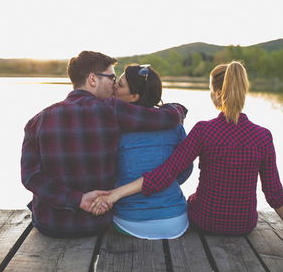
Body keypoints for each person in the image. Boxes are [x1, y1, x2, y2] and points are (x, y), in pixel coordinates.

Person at [91, 61, 283, 235]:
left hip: (206, 221)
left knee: (192, 200)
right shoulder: (263, 136)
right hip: (245, 225)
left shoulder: (205, 130)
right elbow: (272, 190)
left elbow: (166, 174)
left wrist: (115, 194)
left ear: (216, 94)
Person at [20, 51, 187, 238]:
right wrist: (177, 108)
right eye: (112, 78)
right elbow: (163, 118)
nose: (114, 85)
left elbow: (30, 177)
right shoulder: (111, 110)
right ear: (93, 79)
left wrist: (78, 199)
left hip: (49, 225)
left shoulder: (36, 121)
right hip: (96, 222)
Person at [112, 64, 193, 239]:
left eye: (119, 84)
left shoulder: (114, 127)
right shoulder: (174, 125)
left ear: (134, 96)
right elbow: (184, 172)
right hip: (176, 220)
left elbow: (109, 174)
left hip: (130, 220)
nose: (114, 87)